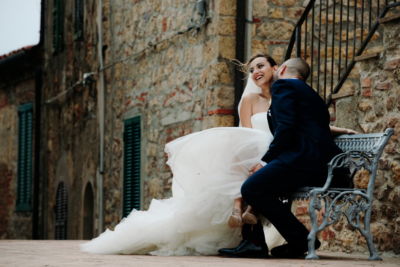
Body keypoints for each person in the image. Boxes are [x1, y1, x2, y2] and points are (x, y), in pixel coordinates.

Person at [80, 54, 285, 255]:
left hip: (275, 155)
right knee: (247, 163)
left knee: (259, 171)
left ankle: (243, 212)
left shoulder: (283, 98)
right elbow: (245, 134)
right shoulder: (249, 99)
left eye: (260, 66)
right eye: (252, 70)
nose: (255, 72)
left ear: (274, 68)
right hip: (254, 153)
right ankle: (243, 216)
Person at [218, 58, 354, 259]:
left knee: (252, 187)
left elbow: (286, 127)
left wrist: (265, 161)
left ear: (280, 69)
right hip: (324, 166)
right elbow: (307, 127)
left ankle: (298, 240)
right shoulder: (311, 94)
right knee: (259, 182)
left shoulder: (283, 85)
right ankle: (258, 243)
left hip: (304, 162)